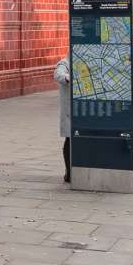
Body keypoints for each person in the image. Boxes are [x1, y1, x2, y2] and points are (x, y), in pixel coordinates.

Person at [53, 55, 72, 183]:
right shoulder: (65, 63)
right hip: (70, 110)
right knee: (69, 139)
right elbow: (58, 74)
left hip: (83, 109)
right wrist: (66, 77)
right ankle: (69, 172)